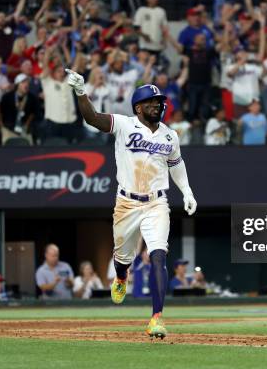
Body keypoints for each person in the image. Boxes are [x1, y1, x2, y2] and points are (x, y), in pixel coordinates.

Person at [67, 71, 197, 339]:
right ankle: (122, 276)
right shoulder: (125, 124)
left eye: (159, 102)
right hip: (126, 203)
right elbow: (92, 118)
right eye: (151, 102)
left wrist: (187, 191)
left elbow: (177, 165)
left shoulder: (170, 135)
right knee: (123, 257)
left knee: (158, 255)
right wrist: (81, 91)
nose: (157, 105)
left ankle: (156, 318)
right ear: (138, 107)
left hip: (156, 203)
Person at [0, 73, 39, 144]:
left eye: (27, 82)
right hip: (8, 130)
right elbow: (0, 112)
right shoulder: (7, 97)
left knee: (30, 152)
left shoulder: (32, 98)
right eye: (23, 82)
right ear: (17, 84)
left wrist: (27, 125)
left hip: (25, 131)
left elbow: (34, 113)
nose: (26, 84)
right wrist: (1, 127)